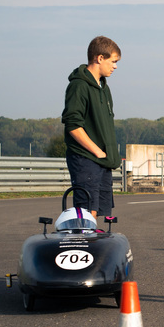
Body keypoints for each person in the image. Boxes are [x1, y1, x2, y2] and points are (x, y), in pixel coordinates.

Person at [61, 36, 122, 220]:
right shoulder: (78, 86)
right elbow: (73, 125)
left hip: (102, 161)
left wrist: (106, 155)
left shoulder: (104, 88)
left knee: (100, 210)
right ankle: (84, 246)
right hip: (86, 158)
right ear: (99, 58)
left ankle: (95, 244)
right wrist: (96, 151)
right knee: (87, 212)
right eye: (113, 61)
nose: (115, 66)